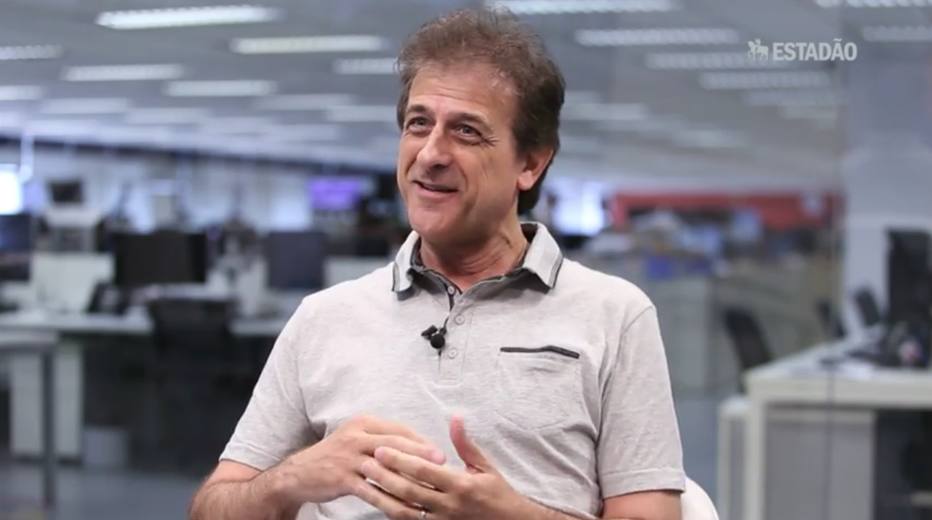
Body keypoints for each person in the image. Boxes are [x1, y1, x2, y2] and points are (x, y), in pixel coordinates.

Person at [189, 8, 684, 520]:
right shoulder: (322, 318)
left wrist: (513, 516)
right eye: (418, 124)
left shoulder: (614, 315)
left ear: (530, 163)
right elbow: (211, 510)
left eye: (466, 131)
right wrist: (291, 478)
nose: (429, 154)